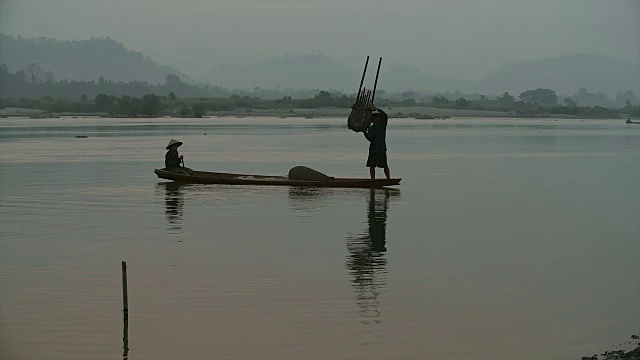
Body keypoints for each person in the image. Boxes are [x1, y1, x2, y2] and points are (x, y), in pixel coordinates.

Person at [363, 105, 391, 179]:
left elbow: (385, 116)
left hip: (381, 149)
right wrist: (365, 133)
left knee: (384, 165)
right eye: (375, 117)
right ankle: (373, 180)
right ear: (373, 119)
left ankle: (388, 178)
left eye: (378, 117)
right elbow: (370, 139)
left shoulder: (382, 126)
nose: (377, 118)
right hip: (373, 149)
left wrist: (376, 109)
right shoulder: (371, 128)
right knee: (372, 166)